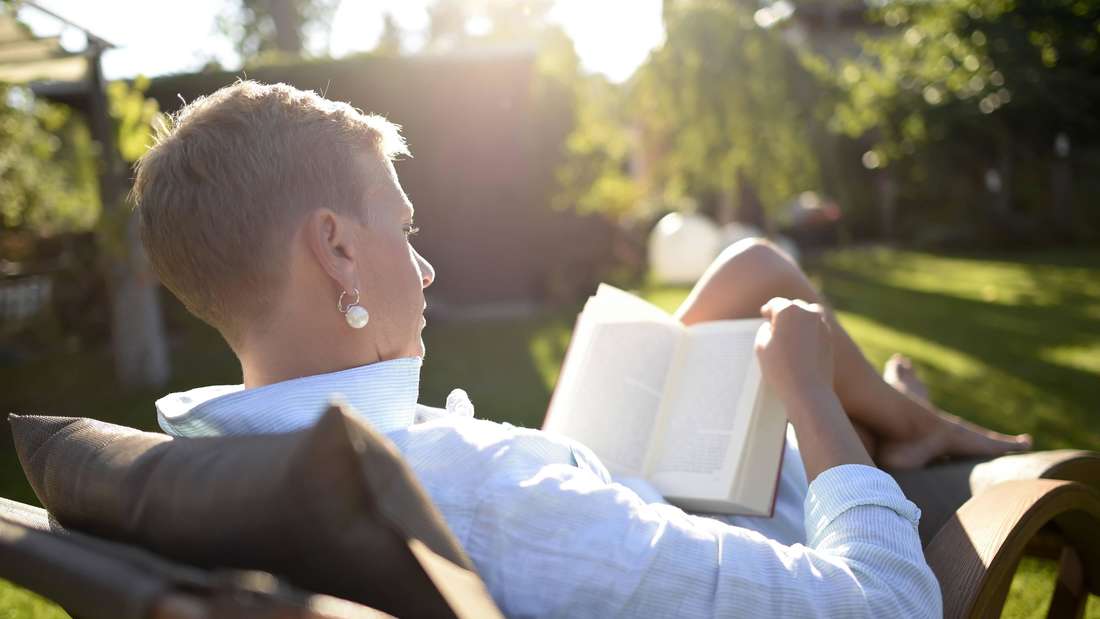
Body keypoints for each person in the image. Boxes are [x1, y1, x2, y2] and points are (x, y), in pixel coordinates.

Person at [135, 81, 1029, 617]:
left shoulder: (201, 457)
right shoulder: (481, 494)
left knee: (754, 269)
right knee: (790, 325)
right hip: (743, 522)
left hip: (614, 504)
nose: (427, 264)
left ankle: (903, 417)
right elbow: (886, 606)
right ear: (336, 251)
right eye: (403, 228)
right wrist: (808, 397)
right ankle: (898, 428)